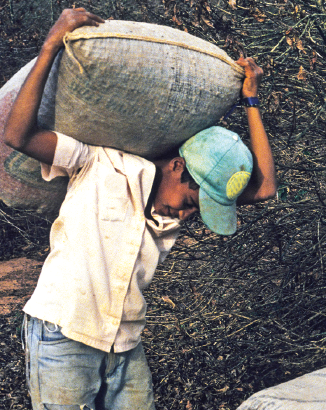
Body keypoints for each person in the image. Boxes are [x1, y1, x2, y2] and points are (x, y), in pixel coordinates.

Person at [2, 8, 277, 410]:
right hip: (63, 333)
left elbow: (266, 188)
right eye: (190, 204)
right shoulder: (103, 165)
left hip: (125, 344)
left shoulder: (178, 203)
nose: (187, 218)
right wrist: (49, 46)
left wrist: (251, 98)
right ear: (178, 167)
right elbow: (17, 134)